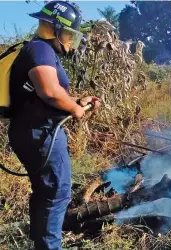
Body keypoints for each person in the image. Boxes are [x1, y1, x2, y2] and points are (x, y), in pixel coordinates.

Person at [7, 1, 100, 249]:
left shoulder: (38, 50)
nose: (70, 41)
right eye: (69, 34)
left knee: (45, 193)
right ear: (56, 28)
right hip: (41, 134)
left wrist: (76, 101)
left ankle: (41, 243)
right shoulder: (40, 50)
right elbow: (49, 91)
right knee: (57, 194)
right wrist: (75, 109)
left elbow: (47, 94)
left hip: (34, 131)